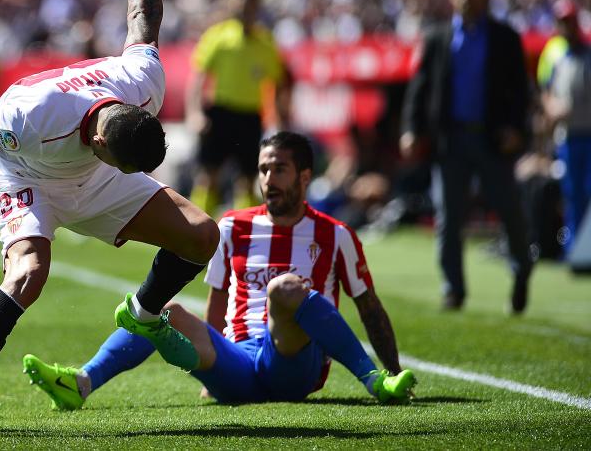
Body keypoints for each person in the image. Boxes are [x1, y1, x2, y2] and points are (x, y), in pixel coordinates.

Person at [0, 0, 220, 438]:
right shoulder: (28, 117)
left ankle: (144, 313)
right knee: (28, 274)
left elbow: (143, 16)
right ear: (102, 141)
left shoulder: (140, 85)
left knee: (202, 235)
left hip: (97, 178)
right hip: (28, 175)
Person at [22, 132, 417, 409]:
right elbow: (218, 298)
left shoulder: (336, 234)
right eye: (263, 169)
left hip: (294, 366)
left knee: (284, 290)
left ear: (305, 177)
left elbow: (368, 306)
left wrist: (394, 368)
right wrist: (214, 354)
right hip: (239, 366)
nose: (267, 179)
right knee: (163, 310)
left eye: (279, 169)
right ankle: (81, 383)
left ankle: (375, 381)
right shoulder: (232, 226)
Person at [400, 0, 534, 314]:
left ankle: (522, 272)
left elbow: (521, 93)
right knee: (449, 217)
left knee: (510, 212)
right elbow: (420, 87)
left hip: (492, 141)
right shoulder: (437, 37)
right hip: (451, 141)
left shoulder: (505, 37)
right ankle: (453, 288)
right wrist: (411, 129)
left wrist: (516, 131)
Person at [186, 0, 286, 217]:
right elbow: (199, 77)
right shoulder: (219, 37)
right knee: (208, 176)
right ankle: (194, 225)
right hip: (220, 112)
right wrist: (195, 113)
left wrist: (278, 117)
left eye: (248, 5)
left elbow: (278, 81)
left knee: (248, 179)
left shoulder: (265, 43)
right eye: (239, 5)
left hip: (250, 116)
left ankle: (244, 230)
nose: (243, 10)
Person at [540, 0, 591, 256]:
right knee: (572, 195)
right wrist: (551, 108)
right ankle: (574, 250)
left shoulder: (587, 56)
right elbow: (546, 92)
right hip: (568, 138)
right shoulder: (558, 58)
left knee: (586, 192)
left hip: (587, 136)